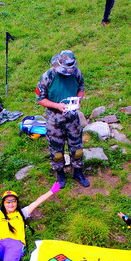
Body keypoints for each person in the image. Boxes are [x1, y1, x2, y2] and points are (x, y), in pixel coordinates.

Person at [36, 50, 89, 188]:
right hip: (54, 118)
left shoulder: (76, 73)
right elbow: (40, 99)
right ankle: (60, 173)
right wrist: (57, 106)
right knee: (56, 149)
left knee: (77, 147)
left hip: (72, 117)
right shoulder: (48, 76)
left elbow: (81, 88)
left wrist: (77, 100)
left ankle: (77, 171)